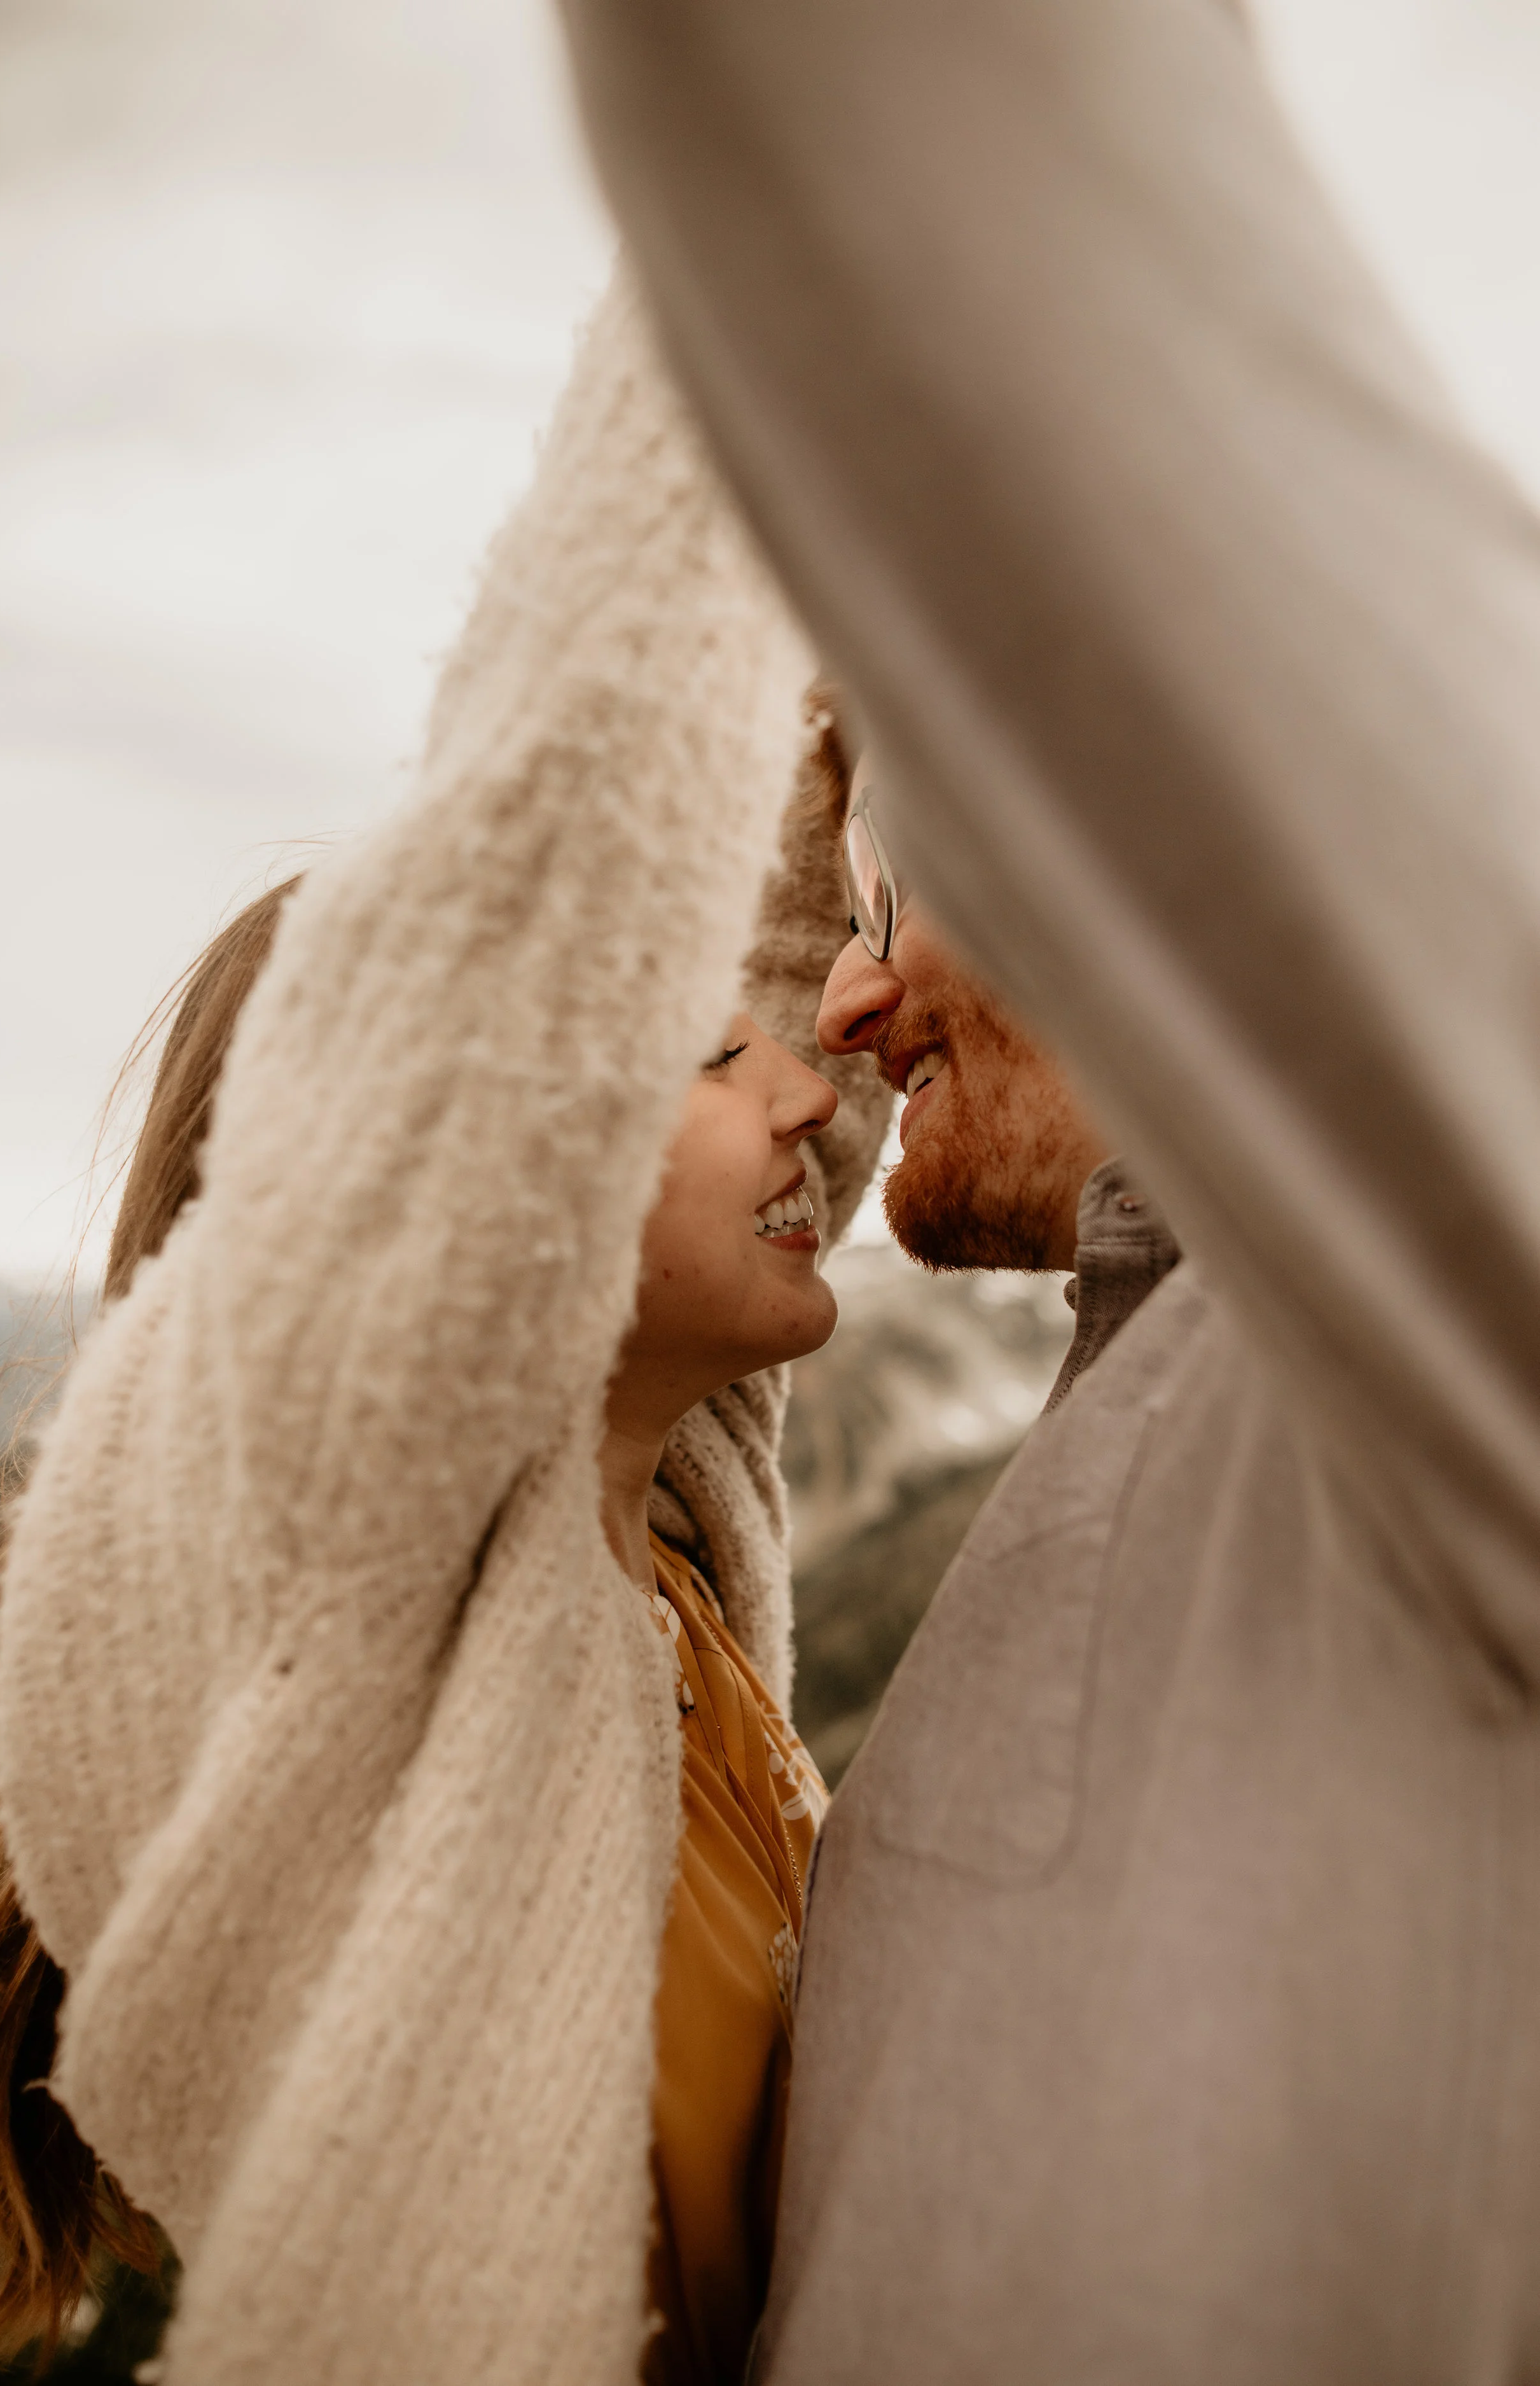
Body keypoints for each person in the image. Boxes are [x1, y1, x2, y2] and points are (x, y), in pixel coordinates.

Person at [556, 0, 1540, 2378]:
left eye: (887, 910)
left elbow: (886, 104)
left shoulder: (1421, 1331)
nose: (842, 1027)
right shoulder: (1148, 1398)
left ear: (1125, 835)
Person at [0, 270, 887, 2385]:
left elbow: (767, 896)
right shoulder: (304, 1576)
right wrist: (774, 234)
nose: (804, 1093)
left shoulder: (652, 1526)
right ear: (466, 1165)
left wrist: (876, 581)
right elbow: (568, 825)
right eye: (689, 1057)